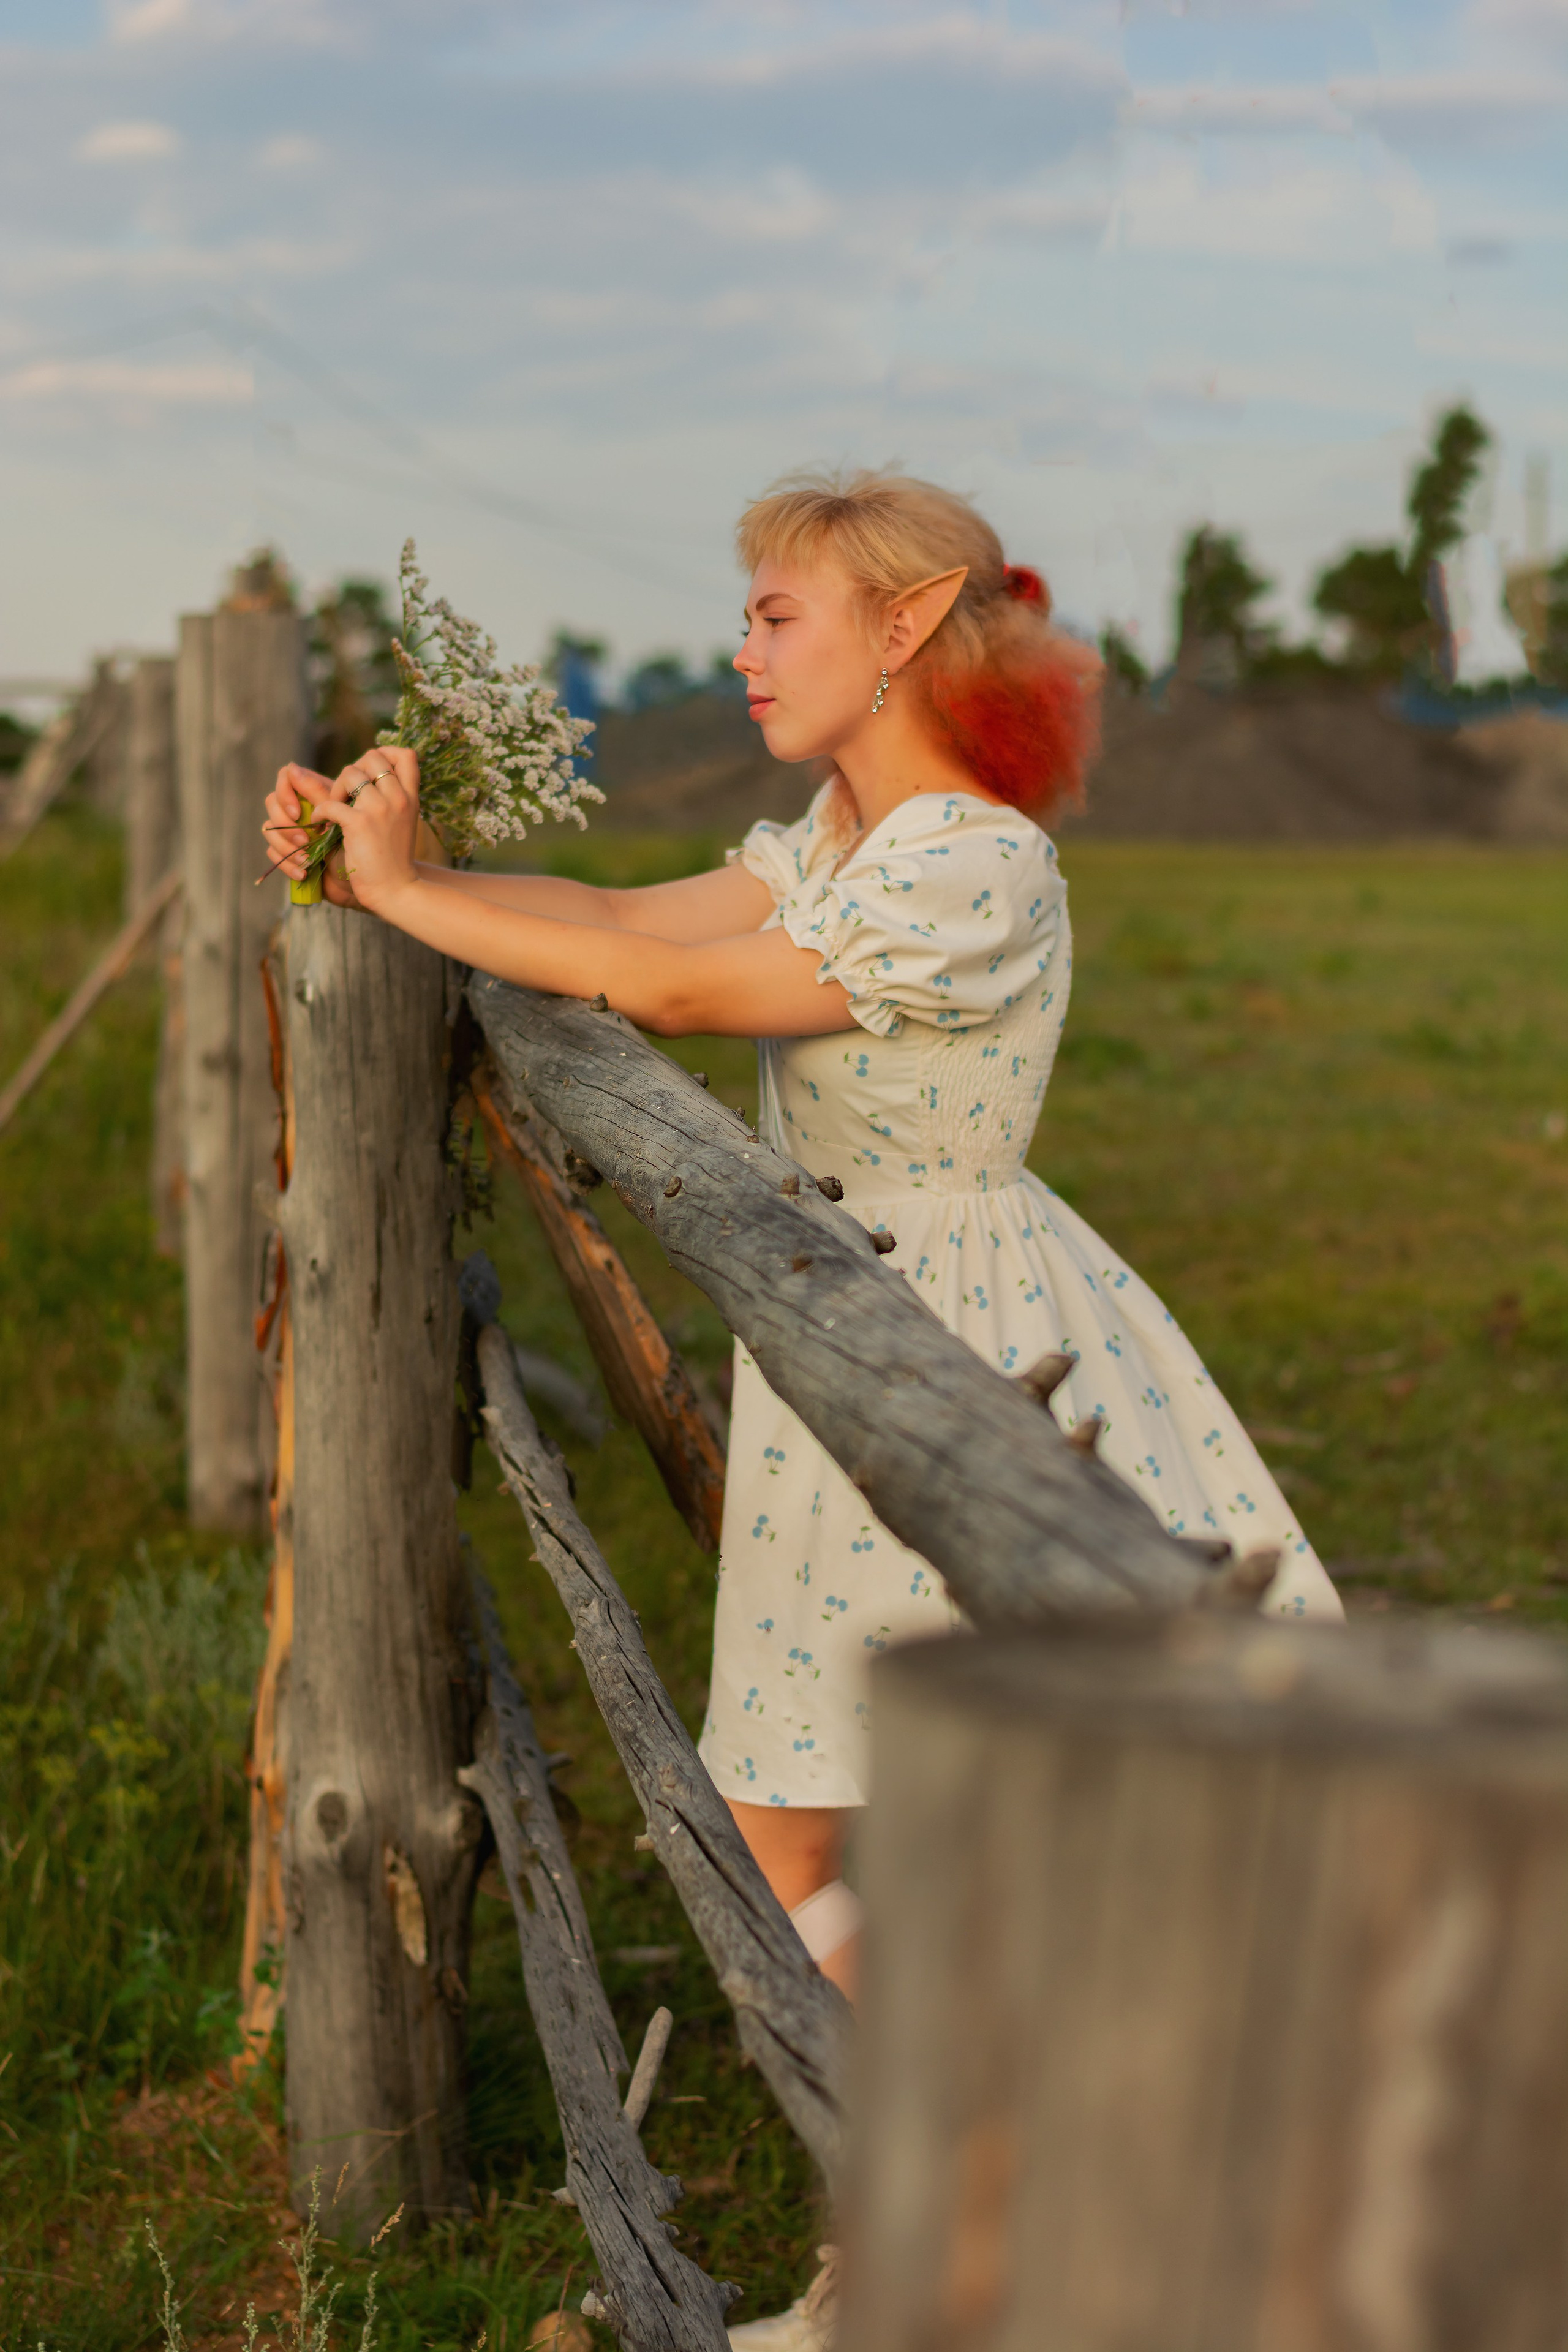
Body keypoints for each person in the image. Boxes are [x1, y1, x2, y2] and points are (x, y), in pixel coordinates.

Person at [265, 469, 1341, 2345]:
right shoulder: (839, 837)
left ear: (907, 626)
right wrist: (382, 872)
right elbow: (615, 907)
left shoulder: (970, 858)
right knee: (804, 1810)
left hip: (963, 1341)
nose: (747, 647)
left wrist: (417, 890)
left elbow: (671, 992)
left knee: (893, 1810)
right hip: (837, 1332)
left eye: (778, 615)